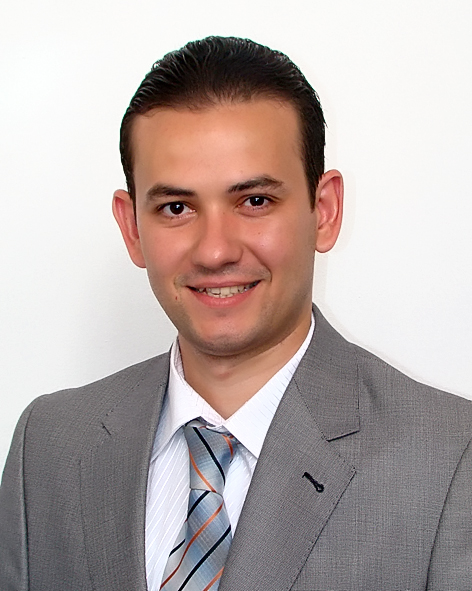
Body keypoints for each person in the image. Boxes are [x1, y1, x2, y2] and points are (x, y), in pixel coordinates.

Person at [0, 36, 471, 591]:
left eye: (255, 201)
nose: (215, 251)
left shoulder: (450, 461)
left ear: (324, 211)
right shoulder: (48, 447)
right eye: (177, 207)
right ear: (132, 228)